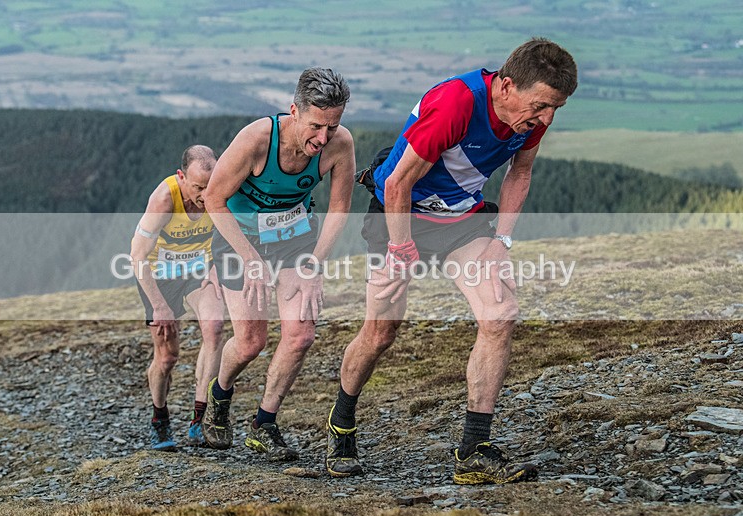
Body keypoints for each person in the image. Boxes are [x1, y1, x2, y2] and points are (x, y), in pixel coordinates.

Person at [326, 38, 578, 483]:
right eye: (541, 105)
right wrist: (401, 252)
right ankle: (341, 420)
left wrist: (502, 240)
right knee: (381, 332)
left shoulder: (529, 117)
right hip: (399, 215)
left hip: (461, 218)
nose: (546, 119)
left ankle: (473, 450)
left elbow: (520, 172)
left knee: (500, 314)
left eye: (555, 108)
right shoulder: (455, 104)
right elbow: (398, 183)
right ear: (505, 87)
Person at [202, 67, 355, 461]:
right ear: (294, 111)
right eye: (316, 126)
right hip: (241, 240)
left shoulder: (340, 145)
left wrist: (314, 265)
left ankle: (263, 423)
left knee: (301, 335)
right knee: (251, 342)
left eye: (332, 127)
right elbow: (214, 200)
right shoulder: (256, 139)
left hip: (294, 240)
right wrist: (250, 260)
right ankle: (220, 395)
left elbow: (339, 209)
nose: (323, 139)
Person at [130, 145, 226, 451]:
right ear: (181, 176)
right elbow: (137, 256)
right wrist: (159, 306)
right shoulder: (164, 199)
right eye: (198, 187)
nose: (204, 195)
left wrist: (217, 270)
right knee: (167, 357)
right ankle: (159, 417)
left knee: (214, 328)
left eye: (209, 187)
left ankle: (199, 421)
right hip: (159, 276)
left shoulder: (219, 190)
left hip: (198, 270)